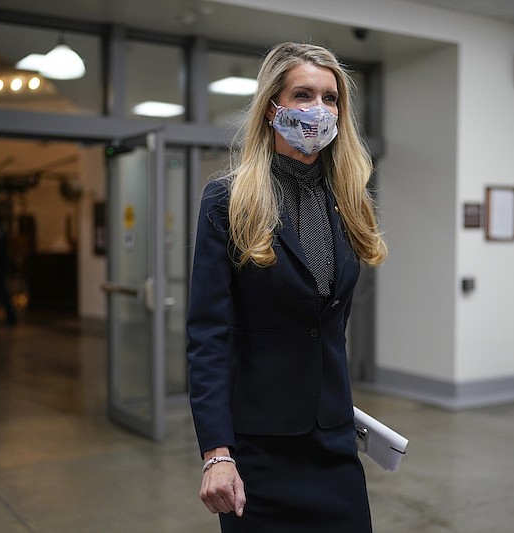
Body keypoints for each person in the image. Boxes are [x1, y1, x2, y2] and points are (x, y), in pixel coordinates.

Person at [186, 42, 388, 533]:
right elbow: (208, 336)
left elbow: (325, 325)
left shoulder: (347, 199)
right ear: (272, 107)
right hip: (258, 449)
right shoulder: (229, 200)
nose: (319, 109)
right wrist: (217, 452)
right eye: (303, 94)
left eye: (330, 97)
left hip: (333, 442)